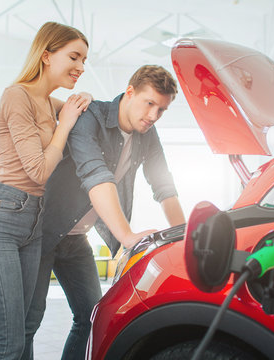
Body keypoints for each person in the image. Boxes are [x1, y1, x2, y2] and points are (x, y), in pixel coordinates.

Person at [23, 65, 186, 359]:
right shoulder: (91, 118)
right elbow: (95, 176)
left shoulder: (147, 133)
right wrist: (127, 236)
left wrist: (187, 238)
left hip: (76, 239)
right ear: (130, 91)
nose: (153, 116)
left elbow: (163, 184)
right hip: (43, 231)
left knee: (92, 318)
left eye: (161, 110)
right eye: (149, 104)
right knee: (28, 321)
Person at [0, 22, 92, 359]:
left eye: (84, 60)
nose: (80, 67)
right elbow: (37, 170)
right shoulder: (17, 95)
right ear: (47, 55)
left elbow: (86, 111)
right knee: (6, 343)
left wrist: (82, 103)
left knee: (24, 332)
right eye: (74, 57)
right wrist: (65, 123)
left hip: (33, 224)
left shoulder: (50, 103)